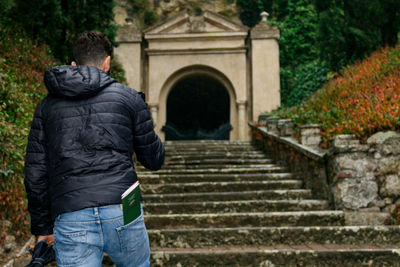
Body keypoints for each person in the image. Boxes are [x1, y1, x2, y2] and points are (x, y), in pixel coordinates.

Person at [24, 31, 165, 267]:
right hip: (123, 207)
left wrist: (42, 226)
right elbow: (154, 159)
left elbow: (35, 172)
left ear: (73, 64)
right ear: (107, 62)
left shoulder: (47, 107)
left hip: (71, 213)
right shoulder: (129, 99)